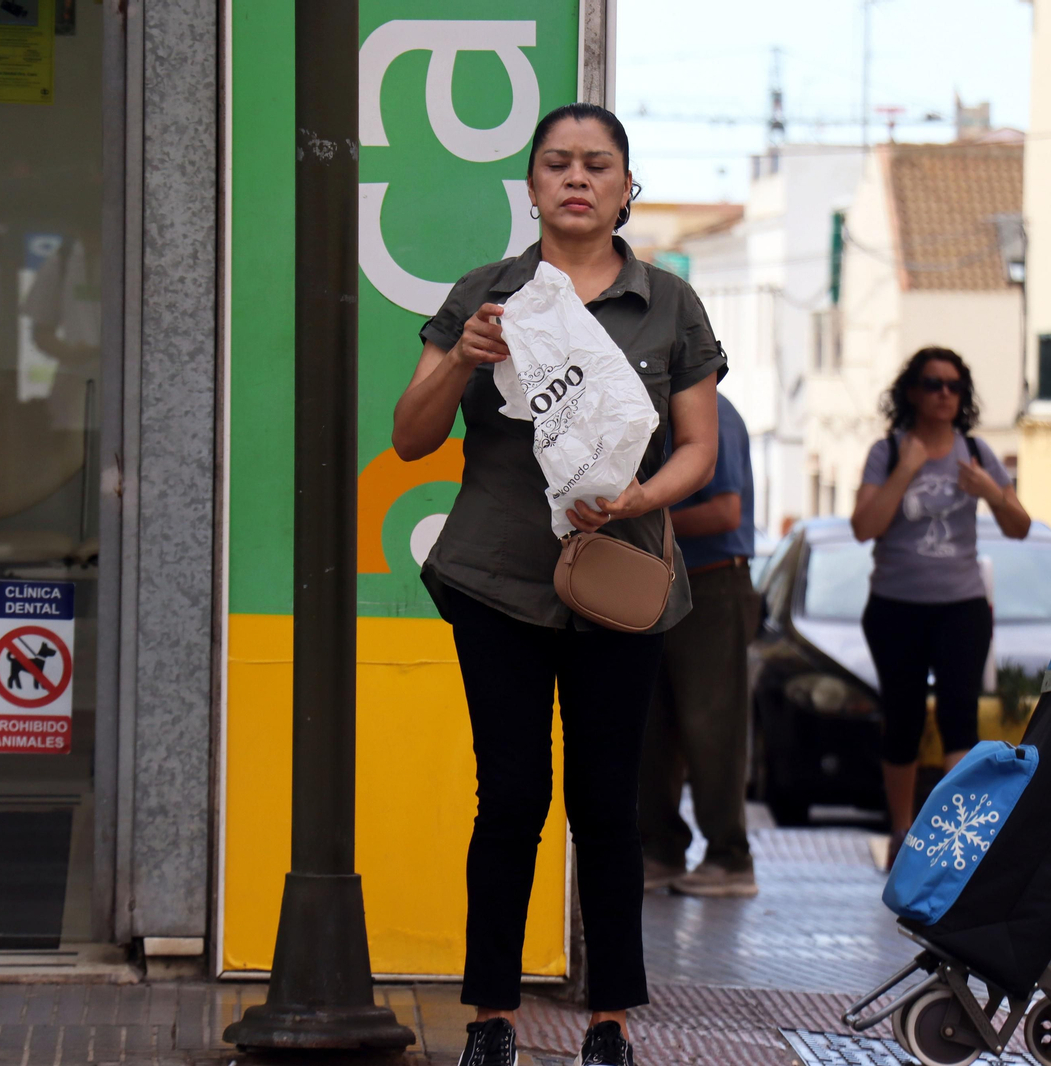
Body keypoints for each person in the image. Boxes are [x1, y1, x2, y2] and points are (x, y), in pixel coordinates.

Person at [392, 103, 723, 1066]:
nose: (578, 178)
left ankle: (609, 1022)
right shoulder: (487, 296)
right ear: (532, 187)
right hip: (496, 579)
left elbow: (698, 449)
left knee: (608, 805)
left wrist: (639, 497)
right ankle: (490, 1017)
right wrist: (462, 358)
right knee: (510, 798)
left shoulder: (669, 303)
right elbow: (410, 436)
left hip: (621, 580)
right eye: (558, 163)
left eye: (598, 164)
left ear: (627, 189)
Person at [850, 347, 1031, 864]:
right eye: (933, 384)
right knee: (903, 719)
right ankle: (902, 832)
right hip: (896, 606)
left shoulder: (975, 451)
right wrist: (906, 471)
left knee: (960, 718)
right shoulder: (888, 451)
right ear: (912, 392)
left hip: (961, 606)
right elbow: (863, 527)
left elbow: (1020, 527)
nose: (944, 394)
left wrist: (991, 491)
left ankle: (952, 840)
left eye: (954, 385)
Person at [638, 391, 761, 898]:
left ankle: (729, 856)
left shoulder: (712, 409)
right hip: (657, 578)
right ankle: (661, 849)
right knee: (652, 725)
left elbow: (726, 512)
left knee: (714, 727)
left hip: (712, 583)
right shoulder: (649, 403)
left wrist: (638, 516)